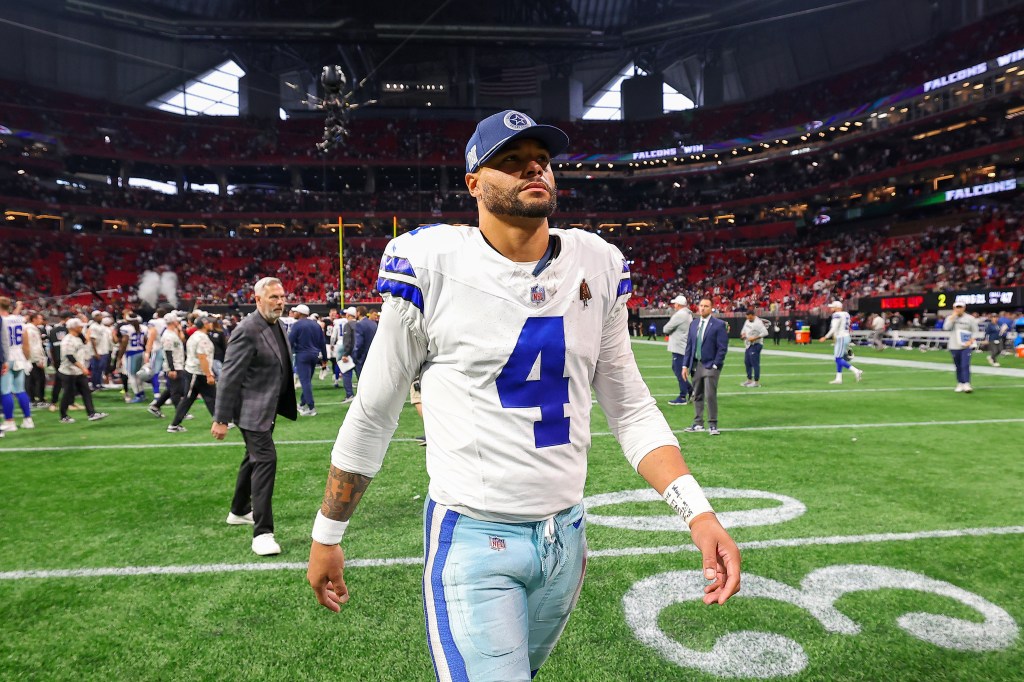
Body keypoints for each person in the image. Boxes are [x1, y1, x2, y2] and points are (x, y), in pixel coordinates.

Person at [305, 110, 740, 681]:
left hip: (567, 539)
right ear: (475, 183)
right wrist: (327, 535)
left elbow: (631, 409)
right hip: (474, 537)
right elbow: (374, 412)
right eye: (510, 161)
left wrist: (699, 515)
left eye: (541, 160)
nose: (533, 168)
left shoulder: (597, 264)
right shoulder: (433, 265)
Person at [212, 277, 298, 557]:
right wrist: (221, 418)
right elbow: (229, 376)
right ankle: (263, 533)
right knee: (265, 461)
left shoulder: (278, 325)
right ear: (258, 299)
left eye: (282, 296)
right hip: (251, 412)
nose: (280, 302)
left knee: (252, 459)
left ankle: (238, 511)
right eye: (274, 297)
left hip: (267, 409)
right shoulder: (247, 329)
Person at [681, 298, 729, 435]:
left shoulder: (719, 325)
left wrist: (716, 364)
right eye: (701, 305)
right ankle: (698, 423)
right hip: (696, 364)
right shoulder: (694, 323)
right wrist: (685, 365)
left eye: (706, 306)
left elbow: (722, 347)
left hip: (710, 365)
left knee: (710, 395)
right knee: (697, 395)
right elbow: (689, 346)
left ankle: (713, 424)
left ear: (711, 308)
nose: (702, 308)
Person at [166, 316, 217, 432]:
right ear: (204, 324)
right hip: (198, 373)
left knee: (208, 397)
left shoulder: (195, 336)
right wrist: (208, 374)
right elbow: (202, 357)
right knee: (198, 398)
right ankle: (174, 425)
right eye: (209, 322)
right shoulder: (202, 338)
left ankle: (219, 420)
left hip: (195, 372)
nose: (211, 324)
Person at [56, 319, 108, 424]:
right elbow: (70, 357)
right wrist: (82, 368)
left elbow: (85, 341)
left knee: (86, 392)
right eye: (79, 326)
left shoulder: (78, 337)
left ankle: (91, 413)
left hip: (78, 371)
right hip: (68, 372)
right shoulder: (68, 340)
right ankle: (63, 416)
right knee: (68, 394)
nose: (81, 328)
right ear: (73, 327)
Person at [288, 303, 328, 417]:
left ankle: (311, 407)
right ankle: (302, 403)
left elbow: (289, 341)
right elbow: (322, 342)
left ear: (300, 313)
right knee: (307, 381)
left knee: (305, 382)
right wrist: (324, 358)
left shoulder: (297, 325)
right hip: (314, 355)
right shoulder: (316, 325)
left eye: (295, 311)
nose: (294, 313)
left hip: (302, 355)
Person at [0, 297, 33, 432]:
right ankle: (28, 419)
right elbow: (25, 340)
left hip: (6, 357)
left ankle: (9, 421)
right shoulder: (18, 319)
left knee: (5, 390)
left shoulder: (2, 320)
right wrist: (27, 358)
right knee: (20, 390)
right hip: (19, 355)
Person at [148, 313, 186, 418]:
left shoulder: (172, 333)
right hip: (174, 366)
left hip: (177, 364)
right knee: (176, 391)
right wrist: (172, 369)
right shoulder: (168, 335)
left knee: (172, 389)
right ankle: (180, 412)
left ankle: (155, 406)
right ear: (174, 322)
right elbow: (168, 353)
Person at [818, 301, 863, 385]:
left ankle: (856, 371)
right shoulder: (846, 314)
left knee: (838, 359)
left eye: (833, 307)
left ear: (838, 307)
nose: (831, 308)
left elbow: (834, 328)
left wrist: (826, 337)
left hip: (841, 337)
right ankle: (838, 378)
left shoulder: (836, 315)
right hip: (845, 336)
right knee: (839, 358)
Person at [662, 294, 692, 405]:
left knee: (679, 371)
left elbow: (666, 328)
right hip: (683, 345)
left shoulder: (680, 314)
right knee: (677, 369)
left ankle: (683, 396)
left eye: (675, 303)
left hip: (679, 346)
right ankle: (690, 390)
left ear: (678, 304)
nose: (674, 305)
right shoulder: (688, 314)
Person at [943, 302, 979, 393]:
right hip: (954, 345)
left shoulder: (970, 319)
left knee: (965, 364)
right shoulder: (950, 318)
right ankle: (960, 382)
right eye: (957, 307)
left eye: (960, 307)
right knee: (958, 365)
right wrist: (952, 318)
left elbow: (975, 331)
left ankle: (966, 383)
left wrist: (971, 341)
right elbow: (946, 328)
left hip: (966, 346)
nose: (959, 309)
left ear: (964, 308)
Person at [740, 310, 768, 387]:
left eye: (749, 317)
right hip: (748, 344)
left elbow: (765, 332)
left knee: (754, 363)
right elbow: (744, 330)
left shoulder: (758, 323)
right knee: (747, 362)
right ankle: (749, 380)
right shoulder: (747, 321)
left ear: (752, 315)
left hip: (756, 344)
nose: (748, 318)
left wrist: (755, 338)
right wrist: (743, 335)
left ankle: (756, 382)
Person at [335, 306, 357, 403]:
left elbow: (348, 341)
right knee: (361, 375)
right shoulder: (359, 324)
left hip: (351, 354)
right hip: (359, 353)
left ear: (348, 315)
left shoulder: (348, 325)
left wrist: (345, 354)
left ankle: (350, 394)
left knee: (346, 374)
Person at [351, 306, 377, 379]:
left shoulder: (360, 324)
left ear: (358, 313)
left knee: (362, 381)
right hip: (373, 356)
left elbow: (359, 344)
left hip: (363, 358)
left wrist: (355, 357)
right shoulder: (373, 324)